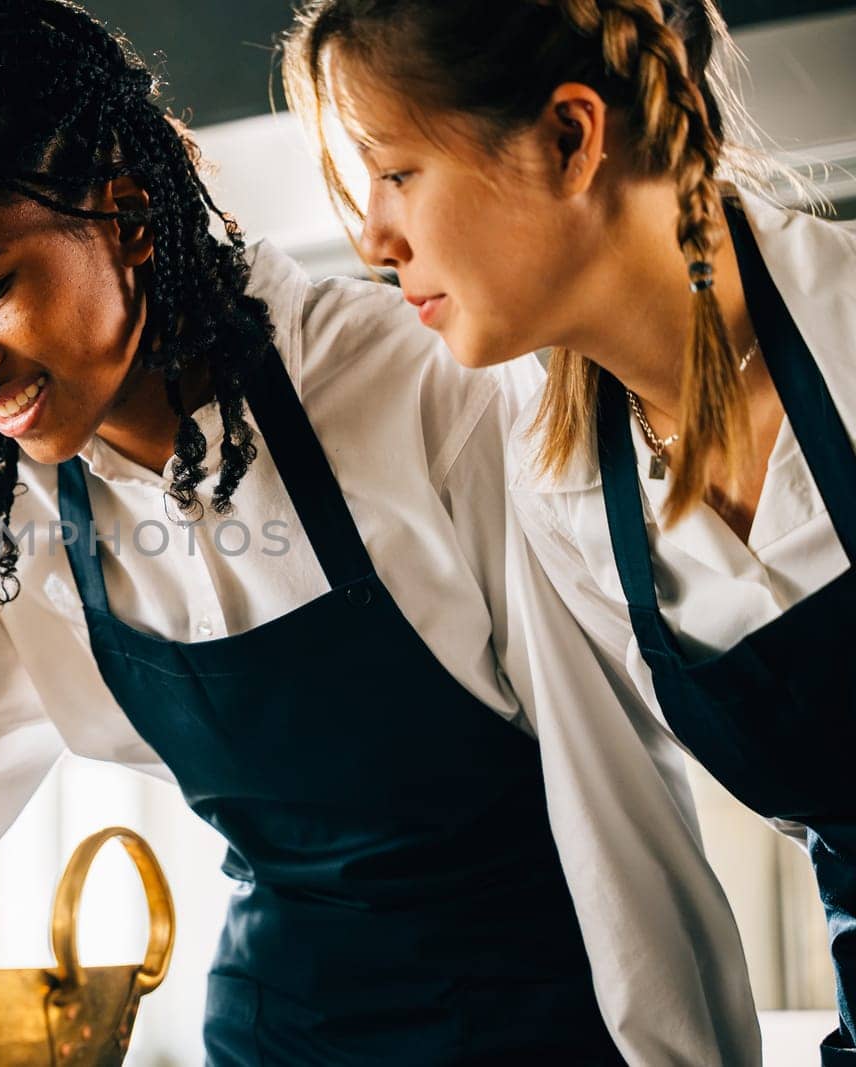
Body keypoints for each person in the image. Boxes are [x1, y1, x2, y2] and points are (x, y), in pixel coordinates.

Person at [0, 0, 758, 1060]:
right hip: (279, 1025)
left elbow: (613, 787)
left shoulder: (401, 383)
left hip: (540, 1022)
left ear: (125, 214)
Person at [281, 0, 855, 1061]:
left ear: (567, 137)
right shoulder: (561, 484)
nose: (371, 237)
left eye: (396, 172)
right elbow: (624, 848)